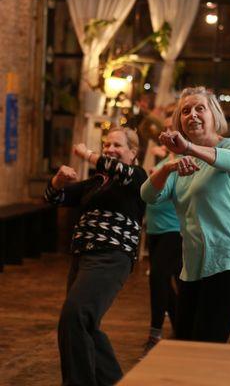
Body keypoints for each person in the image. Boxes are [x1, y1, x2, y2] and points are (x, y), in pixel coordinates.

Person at [140, 86, 230, 343]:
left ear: (214, 115)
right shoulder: (179, 163)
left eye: (199, 108)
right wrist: (170, 165)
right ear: (179, 122)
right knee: (185, 344)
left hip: (229, 261)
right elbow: (148, 195)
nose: (192, 114)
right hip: (193, 268)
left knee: (206, 344)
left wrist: (189, 149)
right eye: (185, 111)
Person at [44, 127, 147, 386]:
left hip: (111, 256)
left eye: (118, 145)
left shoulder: (137, 177)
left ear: (133, 153)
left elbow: (120, 171)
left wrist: (87, 154)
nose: (110, 149)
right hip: (83, 257)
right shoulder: (97, 182)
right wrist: (58, 180)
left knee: (74, 316)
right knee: (84, 324)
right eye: (107, 145)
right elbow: (54, 198)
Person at [142, 109, 183, 355]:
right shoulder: (164, 159)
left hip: (173, 229)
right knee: (166, 280)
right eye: (165, 128)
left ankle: (155, 333)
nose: (167, 132)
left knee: (157, 277)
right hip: (155, 230)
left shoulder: (181, 162)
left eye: (172, 128)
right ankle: (181, 325)